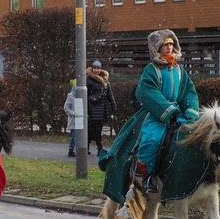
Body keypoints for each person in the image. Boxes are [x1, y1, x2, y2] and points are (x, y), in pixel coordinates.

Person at [100, 29, 199, 196]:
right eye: (165, 44)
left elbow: (189, 92)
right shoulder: (151, 70)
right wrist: (169, 112)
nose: (169, 47)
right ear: (157, 48)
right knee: (152, 140)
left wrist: (191, 113)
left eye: (171, 44)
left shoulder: (180, 71)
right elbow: (147, 93)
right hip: (155, 115)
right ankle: (146, 176)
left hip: (178, 114)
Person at [86, 59, 117, 156]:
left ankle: (96, 147)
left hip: (102, 108)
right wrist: (95, 98)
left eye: (98, 68)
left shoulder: (105, 80)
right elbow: (85, 94)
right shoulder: (88, 80)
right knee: (92, 129)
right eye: (95, 68)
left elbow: (109, 94)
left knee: (98, 129)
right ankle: (98, 147)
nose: (96, 70)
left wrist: (113, 105)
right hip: (91, 108)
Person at [63, 79, 77, 157]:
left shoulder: (82, 95)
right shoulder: (71, 96)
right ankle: (71, 150)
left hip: (80, 120)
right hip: (73, 120)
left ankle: (74, 149)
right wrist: (73, 113)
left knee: (79, 136)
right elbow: (66, 108)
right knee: (74, 136)